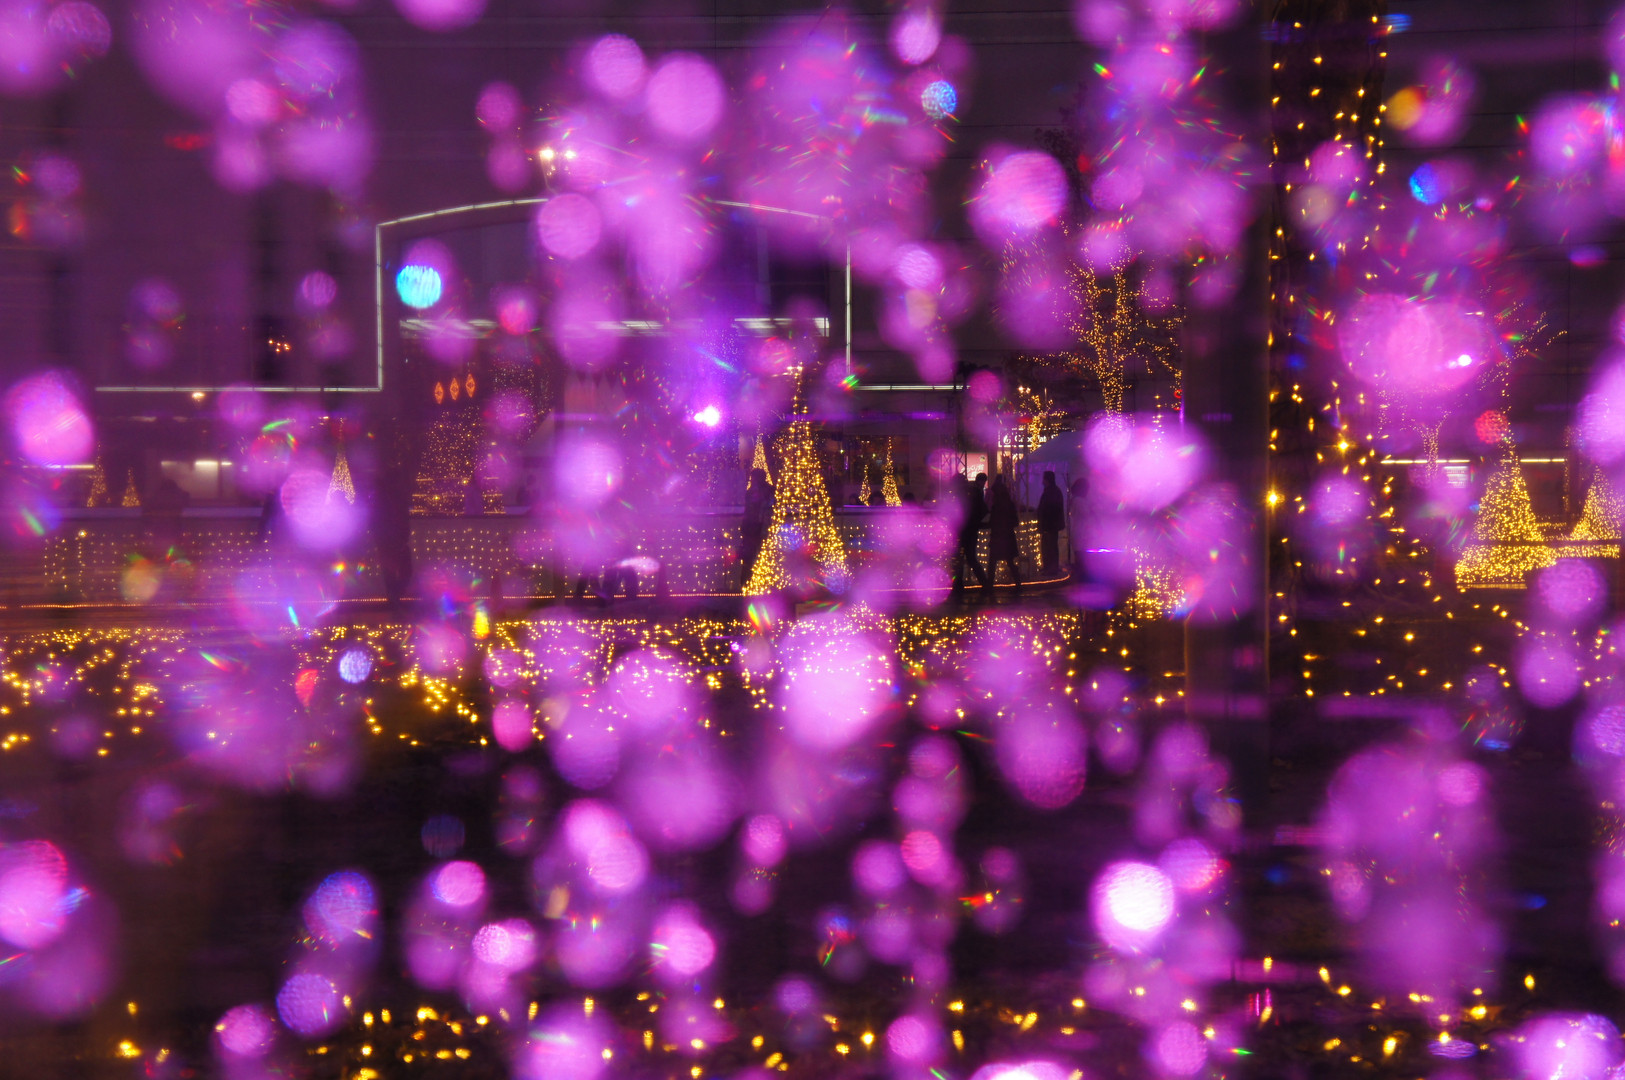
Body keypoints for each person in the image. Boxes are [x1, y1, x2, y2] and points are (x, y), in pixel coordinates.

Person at [953, 472, 990, 594]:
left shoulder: (958, 494)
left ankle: (958, 586)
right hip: (971, 530)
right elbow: (983, 510)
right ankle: (984, 584)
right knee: (971, 558)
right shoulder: (974, 492)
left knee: (959, 559)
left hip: (961, 531)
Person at [740, 467, 774, 588]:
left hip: (754, 528)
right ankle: (753, 582)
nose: (751, 480)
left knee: (750, 557)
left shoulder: (755, 491)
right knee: (756, 556)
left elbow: (751, 509)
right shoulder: (767, 490)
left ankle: (747, 583)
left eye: (753, 478)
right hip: (757, 528)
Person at [987, 474, 1021, 589]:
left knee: (992, 562)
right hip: (1008, 537)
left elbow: (992, 522)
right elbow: (1015, 521)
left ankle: (989, 586)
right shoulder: (1009, 504)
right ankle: (1018, 584)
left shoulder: (996, 506)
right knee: (1010, 561)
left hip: (997, 537)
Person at [1036, 470, 1066, 576]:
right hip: (1052, 525)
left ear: (1047, 479)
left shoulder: (1050, 492)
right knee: (1051, 546)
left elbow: (1049, 509)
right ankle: (1051, 567)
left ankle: (1050, 568)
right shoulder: (1055, 491)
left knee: (1049, 547)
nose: (1042, 481)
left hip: (1049, 525)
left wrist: (1043, 520)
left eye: (1043, 479)